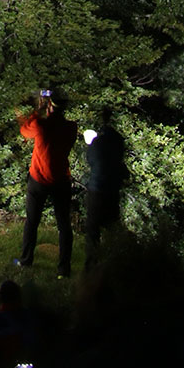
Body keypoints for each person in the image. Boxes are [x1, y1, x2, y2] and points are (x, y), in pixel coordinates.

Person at [15, 89, 79, 278]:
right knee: (64, 225)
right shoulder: (71, 127)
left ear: (49, 104)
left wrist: (37, 110)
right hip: (61, 181)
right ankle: (63, 269)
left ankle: (26, 261)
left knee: (32, 222)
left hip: (39, 180)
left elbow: (24, 131)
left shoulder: (40, 125)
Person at [83, 106, 127, 266]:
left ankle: (91, 264)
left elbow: (90, 160)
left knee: (93, 230)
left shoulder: (97, 142)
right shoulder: (118, 140)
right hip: (113, 189)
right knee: (112, 226)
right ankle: (114, 262)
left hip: (97, 188)